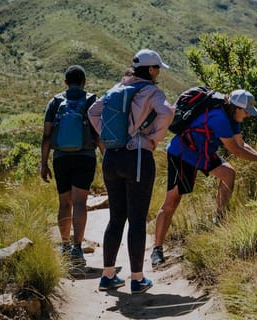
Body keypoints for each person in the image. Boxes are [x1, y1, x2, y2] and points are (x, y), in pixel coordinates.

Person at [150, 89, 257, 266]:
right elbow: (236, 150)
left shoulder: (233, 117)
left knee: (228, 174)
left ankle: (219, 219)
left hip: (203, 152)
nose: (248, 116)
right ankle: (157, 249)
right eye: (246, 112)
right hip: (183, 153)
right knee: (172, 201)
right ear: (236, 108)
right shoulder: (219, 118)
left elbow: (241, 144)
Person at [88, 49, 174, 293]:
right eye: (157, 68)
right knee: (136, 218)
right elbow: (167, 112)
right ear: (149, 69)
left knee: (116, 218)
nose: (158, 72)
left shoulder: (116, 89)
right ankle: (137, 279)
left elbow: (93, 112)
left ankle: (107, 276)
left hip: (111, 158)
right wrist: (152, 137)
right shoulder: (151, 91)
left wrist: (109, 137)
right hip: (137, 157)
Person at [40, 65, 99, 267]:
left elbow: (47, 135)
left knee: (64, 203)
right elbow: (99, 134)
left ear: (65, 82)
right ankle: (77, 248)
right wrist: (107, 158)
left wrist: (43, 163)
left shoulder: (55, 102)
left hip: (60, 158)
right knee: (80, 203)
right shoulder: (92, 101)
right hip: (85, 156)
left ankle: (64, 246)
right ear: (84, 82)